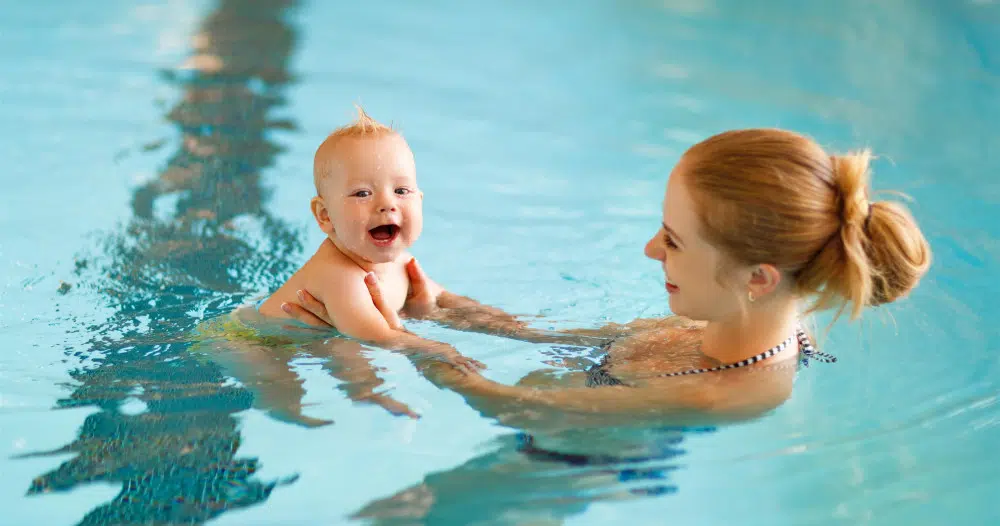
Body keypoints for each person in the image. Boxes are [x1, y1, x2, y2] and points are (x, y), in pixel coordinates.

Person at [284, 128, 932, 431]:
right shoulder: (731, 315)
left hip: (577, 467)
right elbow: (564, 340)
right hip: (590, 399)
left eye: (673, 241)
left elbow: (518, 406)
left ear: (758, 278)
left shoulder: (729, 393)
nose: (650, 249)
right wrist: (441, 309)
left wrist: (414, 351)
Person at [191, 106, 484, 424]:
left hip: (314, 331)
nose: (387, 203)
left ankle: (362, 391)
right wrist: (438, 348)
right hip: (245, 341)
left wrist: (515, 327)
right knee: (281, 385)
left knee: (343, 346)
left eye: (401, 190)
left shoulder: (399, 259)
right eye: (362, 193)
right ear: (325, 216)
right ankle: (313, 405)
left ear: (420, 200)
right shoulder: (339, 274)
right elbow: (377, 336)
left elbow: (446, 301)